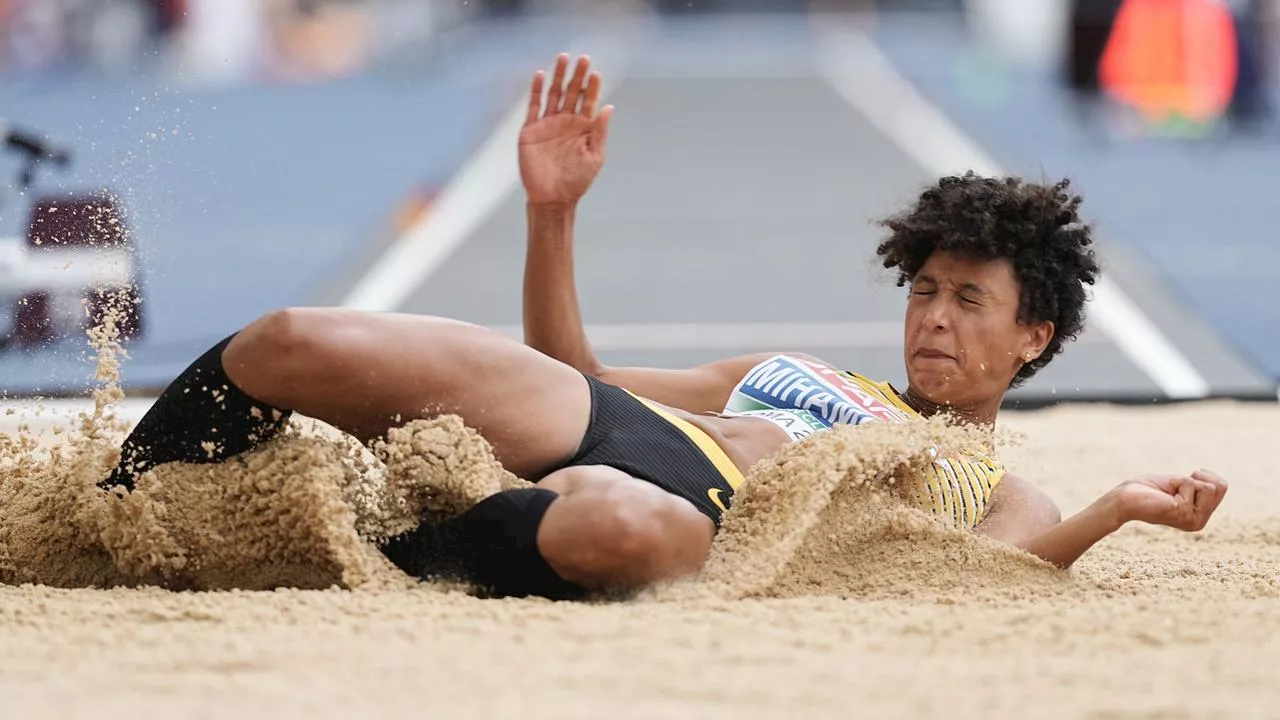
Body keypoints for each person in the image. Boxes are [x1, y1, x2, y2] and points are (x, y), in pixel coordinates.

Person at [99, 53, 1227, 601]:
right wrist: (553, 216)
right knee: (296, 338)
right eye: (923, 290)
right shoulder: (778, 371)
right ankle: (100, 516)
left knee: (623, 535)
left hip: (704, 519)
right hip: (625, 428)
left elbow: (1004, 576)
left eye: (965, 301)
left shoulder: (984, 482)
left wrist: (1112, 512)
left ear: (1032, 338)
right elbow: (571, 372)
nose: (931, 318)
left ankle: (397, 552)